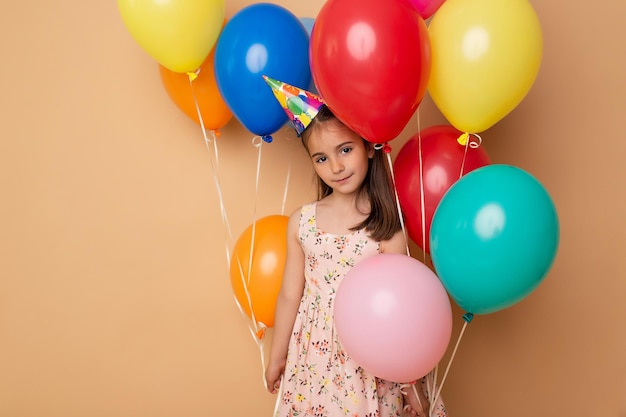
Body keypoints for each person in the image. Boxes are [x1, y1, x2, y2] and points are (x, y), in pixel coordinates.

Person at [263, 77, 447, 417]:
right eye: (321, 158)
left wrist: (411, 384)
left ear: (366, 145)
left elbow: (405, 311)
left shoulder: (386, 226)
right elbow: (290, 294)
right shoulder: (302, 223)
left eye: (345, 149)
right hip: (315, 362)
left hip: (372, 360)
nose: (335, 167)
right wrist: (277, 355)